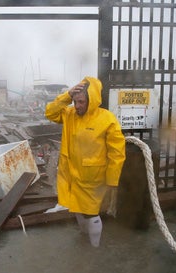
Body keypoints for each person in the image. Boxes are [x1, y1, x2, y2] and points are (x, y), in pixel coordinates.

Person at [45, 76, 126, 247]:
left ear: (93, 100)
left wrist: (112, 180)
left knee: (90, 212)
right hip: (71, 174)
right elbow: (50, 112)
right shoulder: (69, 115)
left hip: (93, 178)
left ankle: (94, 249)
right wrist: (67, 96)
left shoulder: (107, 119)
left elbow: (117, 152)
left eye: (81, 102)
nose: (78, 106)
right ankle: (84, 239)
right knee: (76, 207)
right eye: (75, 101)